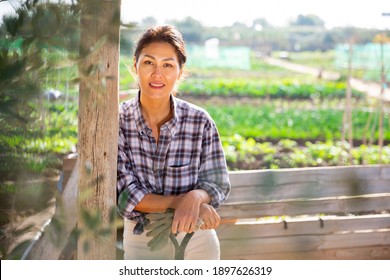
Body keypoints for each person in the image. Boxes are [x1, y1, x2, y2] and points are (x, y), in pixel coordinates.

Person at [116, 25, 231, 260]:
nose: (157, 74)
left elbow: (217, 183)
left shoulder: (200, 121)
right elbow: (126, 195)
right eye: (149, 63)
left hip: (197, 239)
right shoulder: (118, 121)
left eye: (168, 65)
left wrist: (196, 198)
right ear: (135, 66)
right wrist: (182, 202)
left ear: (179, 72)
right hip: (143, 241)